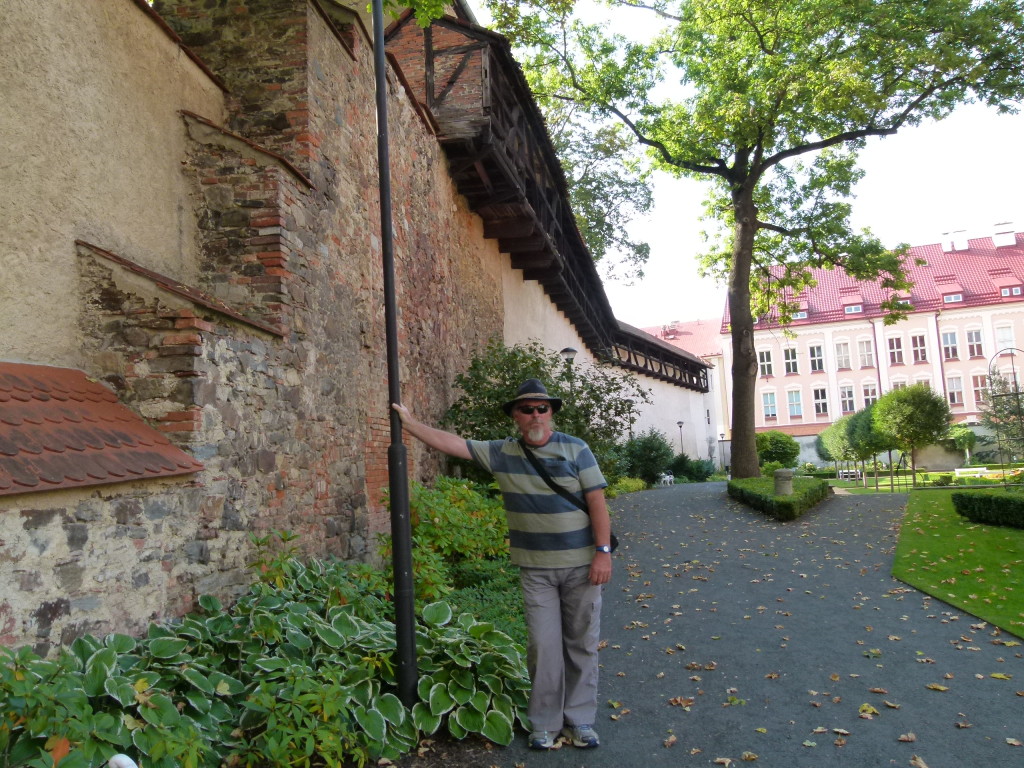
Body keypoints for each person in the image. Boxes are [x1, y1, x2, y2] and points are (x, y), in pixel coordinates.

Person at [392, 378, 612, 750]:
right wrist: (411, 425)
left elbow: (597, 502)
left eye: (542, 408)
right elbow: (455, 444)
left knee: (581, 644)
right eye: (527, 409)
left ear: (552, 413)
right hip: (536, 570)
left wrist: (603, 552)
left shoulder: (576, 450)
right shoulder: (502, 452)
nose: (536, 414)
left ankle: (579, 720)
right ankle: (544, 722)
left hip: (582, 566)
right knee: (542, 647)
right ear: (515, 415)